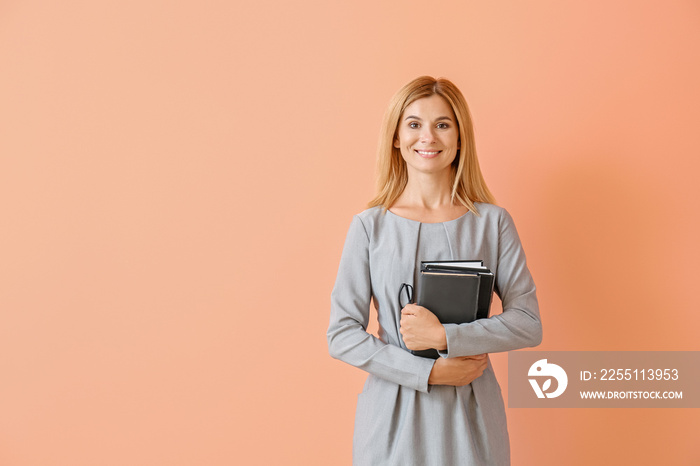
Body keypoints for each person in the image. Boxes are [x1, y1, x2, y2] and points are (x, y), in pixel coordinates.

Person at [327, 76, 542, 466]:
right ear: (396, 137)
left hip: (472, 412)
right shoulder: (368, 227)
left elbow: (528, 322)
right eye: (414, 124)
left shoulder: (492, 223)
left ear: (460, 138)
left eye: (443, 124)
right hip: (393, 414)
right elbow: (341, 334)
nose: (428, 137)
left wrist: (446, 335)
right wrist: (427, 374)